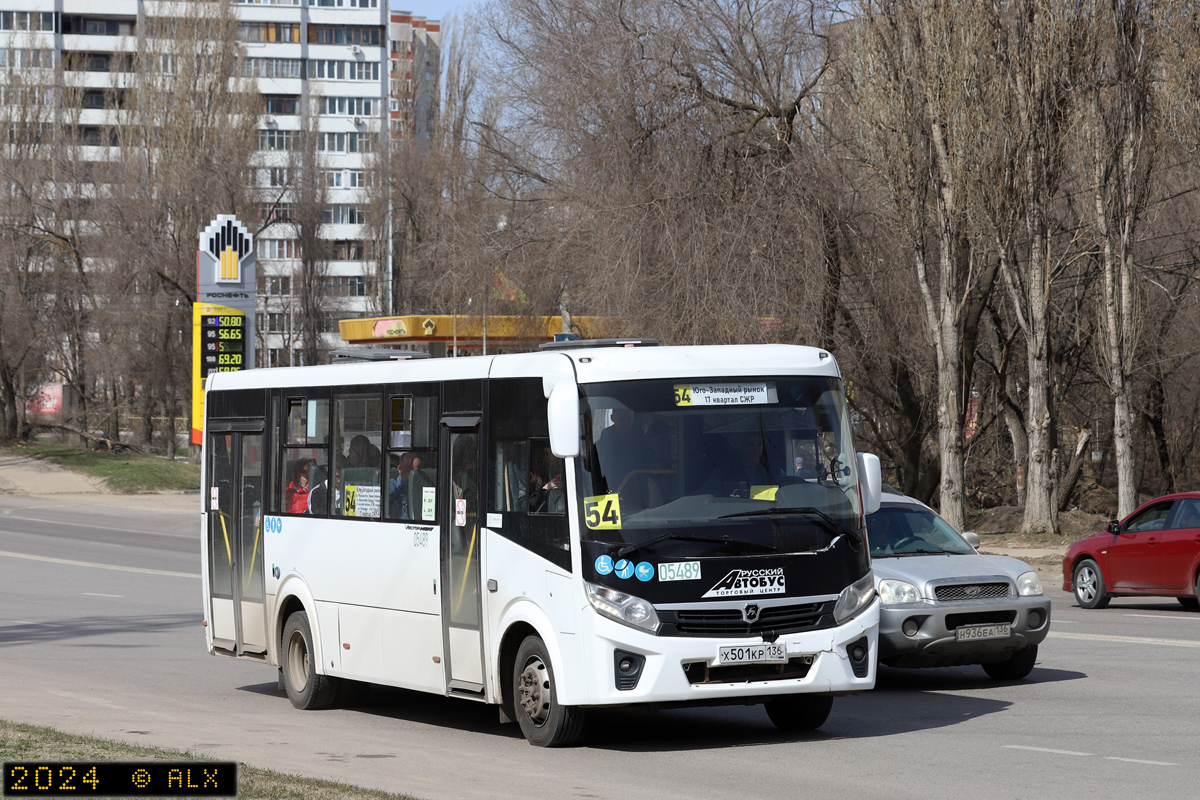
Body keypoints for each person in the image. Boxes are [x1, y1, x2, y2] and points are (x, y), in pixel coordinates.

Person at [388, 452, 421, 520]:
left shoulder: (422, 489)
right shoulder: (390, 488)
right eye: (409, 472)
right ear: (399, 469)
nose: (412, 477)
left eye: (416, 473)